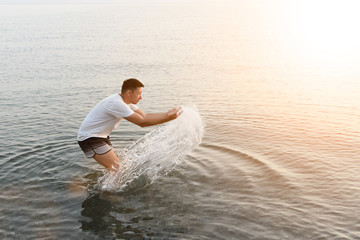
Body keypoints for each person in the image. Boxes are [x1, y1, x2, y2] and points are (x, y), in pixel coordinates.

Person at [77, 78, 182, 171]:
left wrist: (167, 114)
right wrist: (170, 117)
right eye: (139, 93)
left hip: (100, 136)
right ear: (129, 93)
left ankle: (106, 187)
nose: (141, 97)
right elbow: (142, 122)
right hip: (90, 138)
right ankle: (108, 192)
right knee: (119, 171)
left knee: (117, 169)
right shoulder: (117, 103)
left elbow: (144, 116)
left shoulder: (127, 101)